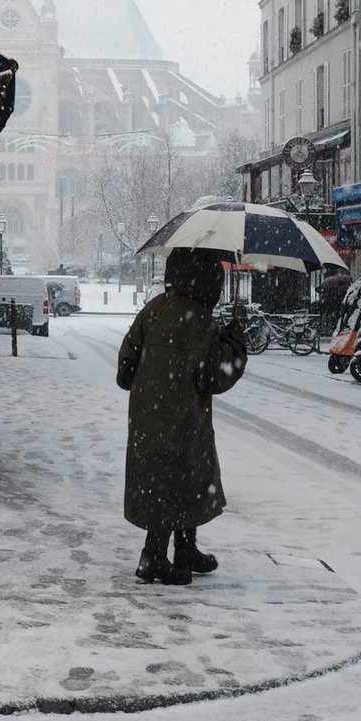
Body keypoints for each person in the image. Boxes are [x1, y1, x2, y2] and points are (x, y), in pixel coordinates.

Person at [115, 248, 247, 585]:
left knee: (164, 481)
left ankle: (183, 550)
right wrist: (234, 340)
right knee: (184, 478)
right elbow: (216, 377)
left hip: (147, 417)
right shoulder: (199, 320)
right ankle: (155, 557)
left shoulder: (154, 308)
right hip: (184, 418)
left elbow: (125, 370)